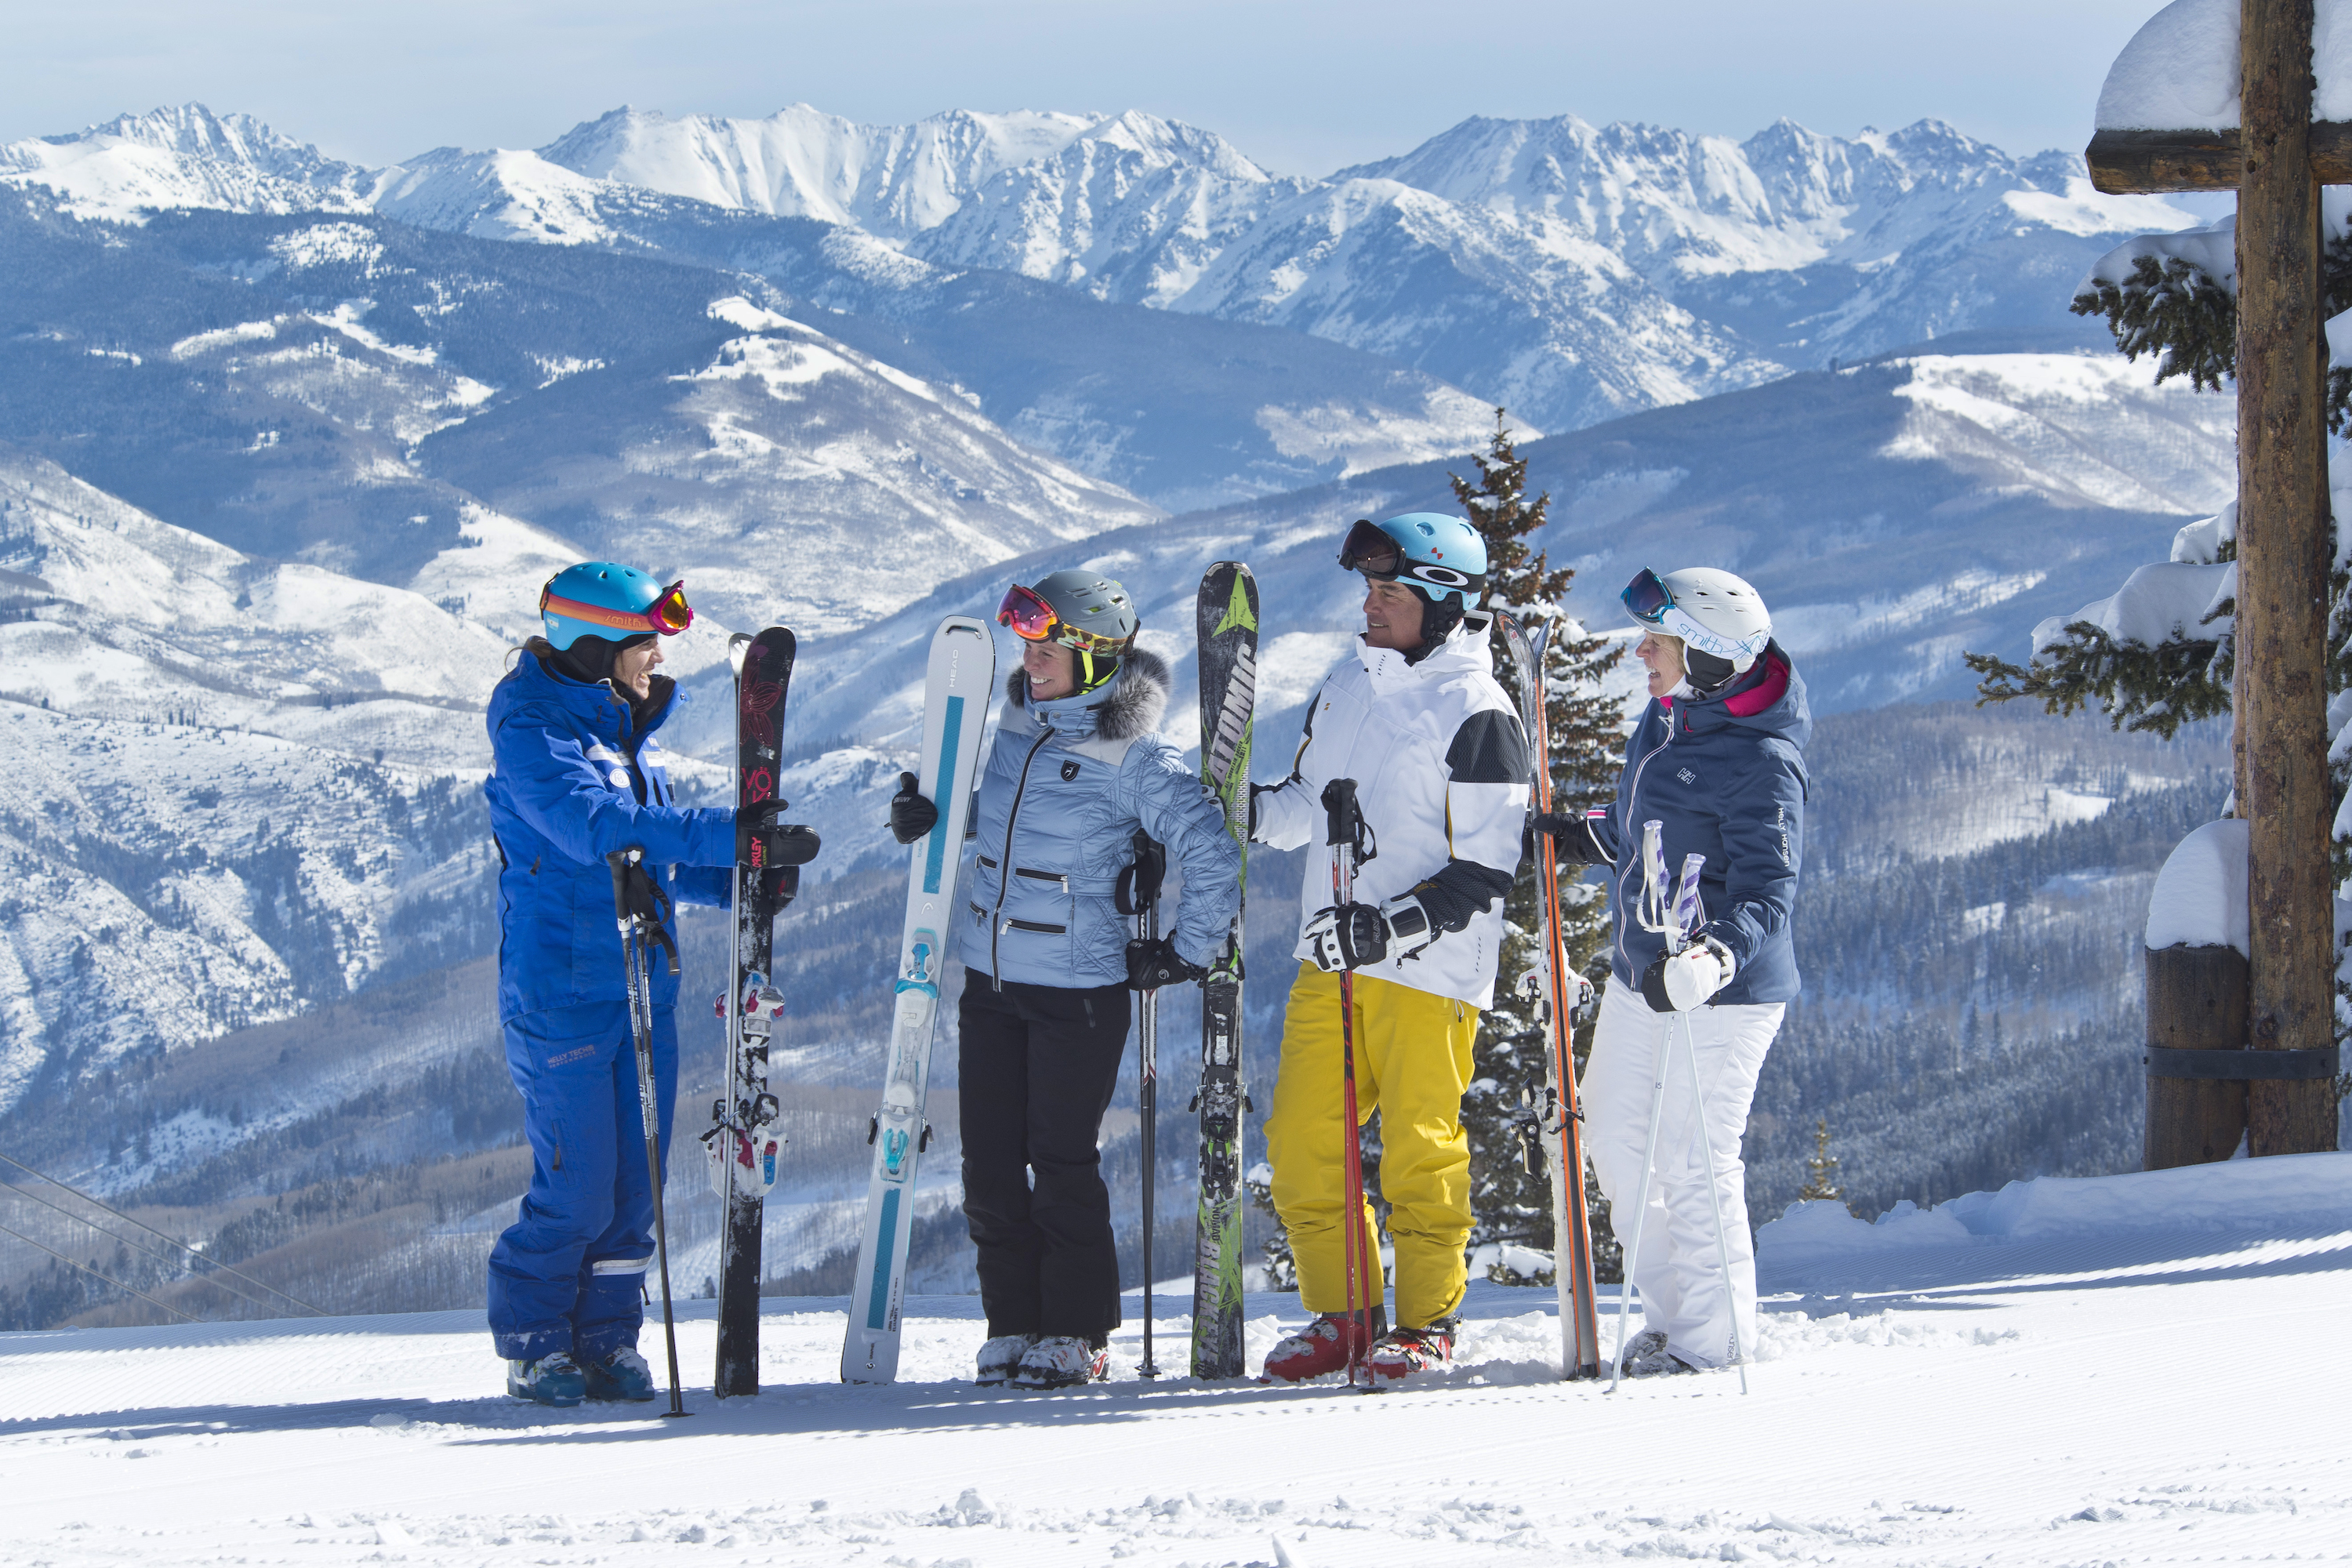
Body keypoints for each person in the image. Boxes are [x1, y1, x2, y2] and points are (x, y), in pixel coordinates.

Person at [886, 569, 1241, 1389]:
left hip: (1078, 989)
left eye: (1045, 647)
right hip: (992, 977)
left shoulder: (1136, 754)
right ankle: (1013, 1323)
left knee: (1060, 1157)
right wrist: (935, 814)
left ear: (1089, 656)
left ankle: (1077, 1331)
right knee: (989, 1163)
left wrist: (1186, 950)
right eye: (1027, 643)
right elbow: (1002, 816)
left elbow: (1210, 849)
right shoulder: (1019, 727)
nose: (1029, 657)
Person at [485, 562, 817, 1406]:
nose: (657, 664)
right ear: (595, 644)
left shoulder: (626, 730)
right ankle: (534, 1342)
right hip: (562, 992)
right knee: (579, 1180)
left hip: (643, 982)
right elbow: (590, 826)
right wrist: (728, 837)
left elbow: (651, 854)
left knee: (635, 1186)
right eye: (645, 644)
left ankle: (605, 1339)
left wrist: (742, 879)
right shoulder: (532, 728)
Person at [1247, 513, 1529, 1383]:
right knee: (1302, 1142)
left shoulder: (1479, 712)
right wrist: (1243, 814)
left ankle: (1427, 1319)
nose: (1369, 605)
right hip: (1329, 958)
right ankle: (1348, 1313)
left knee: (1419, 1145)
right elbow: (1303, 800)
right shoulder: (1348, 681)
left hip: (1427, 971)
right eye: (1367, 587)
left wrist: (1387, 925)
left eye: (1390, 591)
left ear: (1443, 603)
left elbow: (1487, 867)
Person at [1536, 566, 1806, 1377]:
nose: (1640, 652)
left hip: (1723, 992)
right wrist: (1573, 835)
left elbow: (1768, 892)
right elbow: (1640, 826)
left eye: (1658, 639)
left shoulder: (1764, 759)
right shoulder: (1666, 723)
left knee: (1694, 1154)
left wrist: (1712, 958)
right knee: (1618, 1140)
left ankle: (1715, 1341)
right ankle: (1673, 1316)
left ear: (1711, 653)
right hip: (1640, 976)